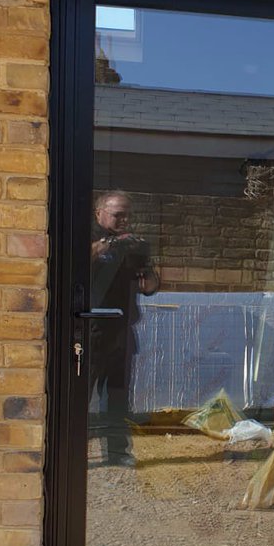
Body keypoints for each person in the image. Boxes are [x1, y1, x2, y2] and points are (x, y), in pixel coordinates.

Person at [89, 190, 158, 467]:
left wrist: (149, 278)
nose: (124, 220)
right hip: (89, 327)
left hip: (121, 329)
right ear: (100, 213)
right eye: (118, 214)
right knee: (81, 395)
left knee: (118, 395)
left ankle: (117, 453)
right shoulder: (89, 235)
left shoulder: (132, 245)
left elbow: (150, 284)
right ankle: (71, 454)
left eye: (127, 215)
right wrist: (106, 245)